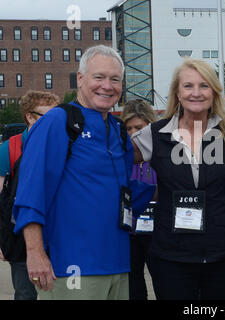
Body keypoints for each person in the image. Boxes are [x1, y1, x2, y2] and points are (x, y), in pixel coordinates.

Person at [11, 45, 136, 300]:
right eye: (98, 77)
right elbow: (31, 193)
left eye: (115, 79)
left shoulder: (119, 131)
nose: (107, 86)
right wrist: (35, 253)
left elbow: (127, 191)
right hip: (71, 267)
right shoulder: (57, 122)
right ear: (80, 78)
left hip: (118, 264)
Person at [132, 58, 225, 300]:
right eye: (188, 86)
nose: (196, 93)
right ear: (177, 92)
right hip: (172, 258)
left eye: (204, 86)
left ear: (214, 92)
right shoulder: (154, 134)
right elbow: (109, 164)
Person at [0, 90, 59, 300]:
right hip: (19, 239)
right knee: (25, 293)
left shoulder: (61, 145)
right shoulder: (9, 149)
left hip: (56, 236)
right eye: (48, 116)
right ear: (30, 117)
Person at [120, 99, 157, 300]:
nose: (133, 132)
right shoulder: (120, 157)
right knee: (133, 287)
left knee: (164, 282)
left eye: (139, 127)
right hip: (129, 231)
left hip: (158, 231)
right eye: (129, 128)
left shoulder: (162, 154)